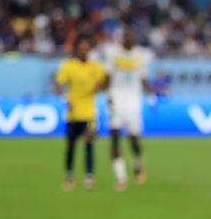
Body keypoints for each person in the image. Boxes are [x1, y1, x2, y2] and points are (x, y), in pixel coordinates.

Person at [101, 27, 153, 189]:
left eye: (131, 37)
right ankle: (121, 178)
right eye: (126, 37)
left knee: (134, 139)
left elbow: (144, 79)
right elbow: (107, 78)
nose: (129, 40)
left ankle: (138, 166)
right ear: (122, 39)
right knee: (115, 138)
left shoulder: (141, 55)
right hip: (116, 101)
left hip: (133, 102)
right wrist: (107, 96)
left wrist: (152, 92)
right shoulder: (113, 54)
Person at [54, 36, 108, 191]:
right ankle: (69, 176)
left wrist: (100, 87)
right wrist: (64, 98)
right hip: (73, 113)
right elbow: (58, 83)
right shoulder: (69, 66)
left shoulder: (95, 67)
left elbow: (106, 80)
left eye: (87, 48)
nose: (84, 51)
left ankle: (89, 177)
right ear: (76, 50)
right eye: (81, 48)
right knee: (70, 146)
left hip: (89, 113)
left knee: (89, 145)